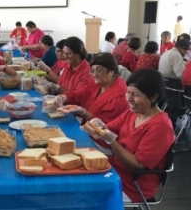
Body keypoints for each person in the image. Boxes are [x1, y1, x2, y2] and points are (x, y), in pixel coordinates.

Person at [83, 69, 175, 203]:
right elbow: (108, 128)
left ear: (154, 97)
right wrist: (97, 126)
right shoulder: (133, 113)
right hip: (115, 170)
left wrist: (111, 141)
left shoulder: (161, 126)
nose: (129, 98)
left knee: (84, 195)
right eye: (128, 92)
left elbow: (137, 165)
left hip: (133, 185)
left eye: (135, 94)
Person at [54, 53, 128, 154]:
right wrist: (64, 97)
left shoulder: (119, 96)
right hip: (86, 131)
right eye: (92, 70)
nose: (94, 74)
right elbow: (78, 94)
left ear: (111, 72)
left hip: (101, 142)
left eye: (99, 70)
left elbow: (104, 128)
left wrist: (83, 112)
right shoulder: (97, 82)